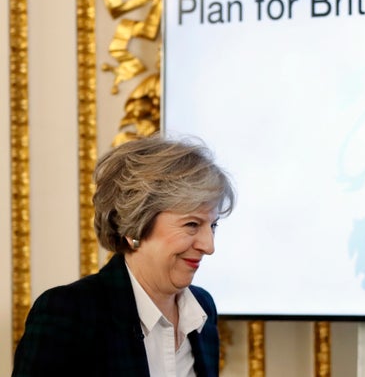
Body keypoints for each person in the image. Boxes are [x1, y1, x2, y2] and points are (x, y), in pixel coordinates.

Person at [12, 134, 235, 377]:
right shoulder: (69, 312)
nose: (208, 245)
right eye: (192, 224)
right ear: (133, 228)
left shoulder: (203, 308)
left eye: (212, 226)